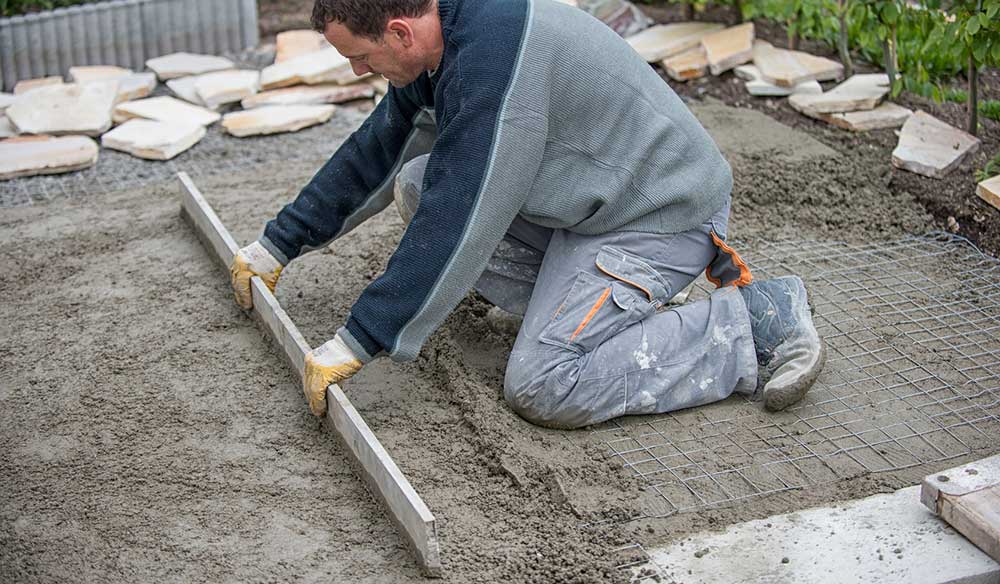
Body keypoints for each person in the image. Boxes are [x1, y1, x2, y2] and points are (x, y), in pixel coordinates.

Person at [230, 0, 826, 428]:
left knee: (543, 384)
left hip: (659, 215)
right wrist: (277, 245)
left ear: (398, 32)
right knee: (414, 182)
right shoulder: (450, 37)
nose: (359, 71)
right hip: (591, 209)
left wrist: (359, 339)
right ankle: (599, 312)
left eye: (360, 56)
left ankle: (751, 323)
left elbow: (462, 214)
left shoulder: (496, 68)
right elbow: (379, 148)